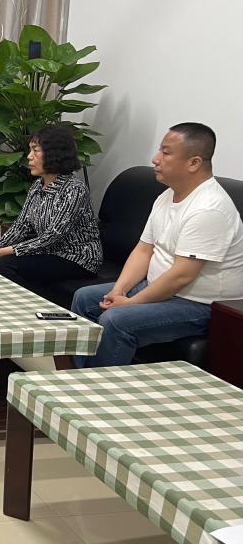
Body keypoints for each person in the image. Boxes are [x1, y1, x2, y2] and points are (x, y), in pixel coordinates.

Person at [71, 123, 243, 367]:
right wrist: (119, 290)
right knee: (84, 298)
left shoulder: (209, 208)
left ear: (194, 163)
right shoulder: (167, 195)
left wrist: (130, 304)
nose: (155, 158)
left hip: (198, 304)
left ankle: (99, 386)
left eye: (166, 152)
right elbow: (144, 249)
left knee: (117, 320)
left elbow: (181, 276)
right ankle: (78, 374)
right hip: (160, 288)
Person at [0, 125, 102, 298]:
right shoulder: (38, 186)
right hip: (50, 253)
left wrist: (3, 252)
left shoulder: (74, 189)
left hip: (77, 258)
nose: (29, 156)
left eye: (35, 150)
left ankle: (32, 306)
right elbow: (21, 225)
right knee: (2, 262)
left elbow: (52, 236)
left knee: (7, 263)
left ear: (54, 153)